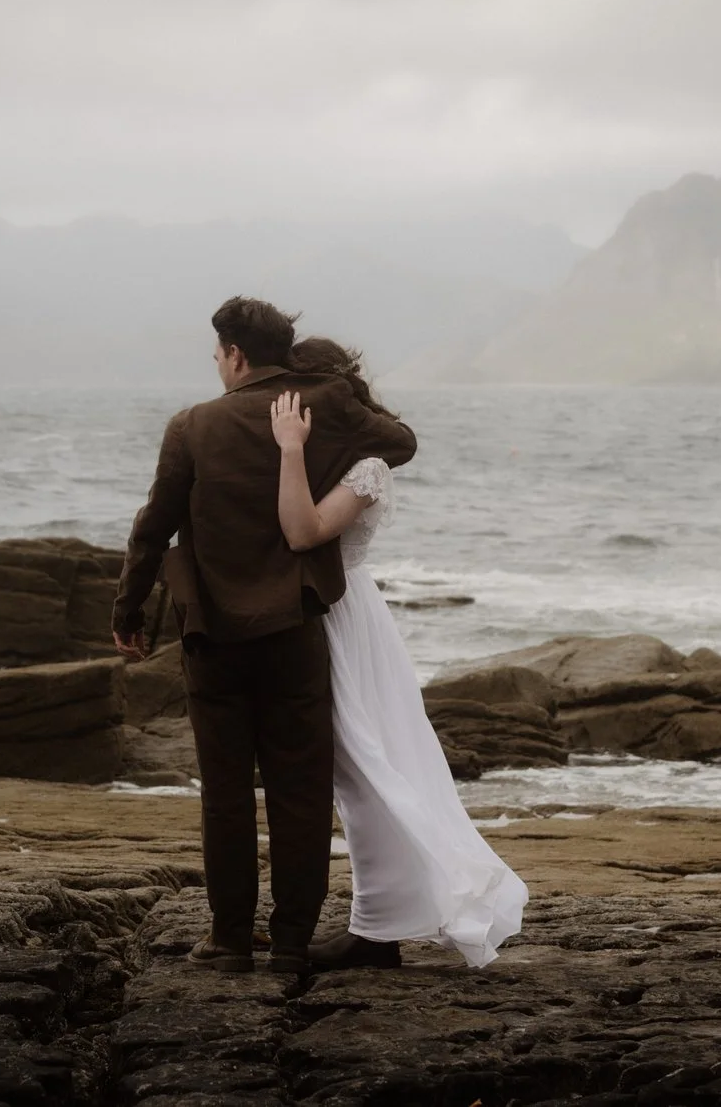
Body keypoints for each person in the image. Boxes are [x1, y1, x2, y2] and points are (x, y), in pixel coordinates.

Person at [113, 297, 418, 975]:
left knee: (224, 790)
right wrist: (324, 423)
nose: (218, 366)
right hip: (293, 630)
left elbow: (153, 525)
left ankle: (227, 942)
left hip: (213, 634)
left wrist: (128, 609)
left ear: (236, 355)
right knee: (299, 789)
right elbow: (400, 444)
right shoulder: (326, 404)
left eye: (219, 356)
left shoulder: (192, 426)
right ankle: (288, 943)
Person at [268, 336, 527, 970]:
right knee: (355, 776)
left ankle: (382, 929)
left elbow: (303, 533)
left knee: (369, 771)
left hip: (347, 618)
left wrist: (291, 450)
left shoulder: (368, 468)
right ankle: (377, 926)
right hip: (319, 617)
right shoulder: (327, 461)